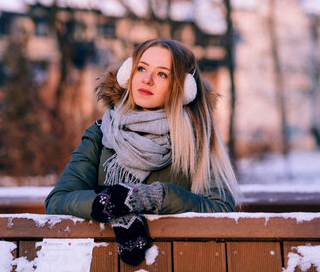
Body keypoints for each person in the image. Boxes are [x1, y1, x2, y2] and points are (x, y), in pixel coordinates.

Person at [45, 38, 241, 266]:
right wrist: (112, 207)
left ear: (183, 88)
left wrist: (152, 197)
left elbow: (220, 208)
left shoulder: (196, 138)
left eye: (162, 74)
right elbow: (58, 199)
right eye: (141, 68)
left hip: (177, 263)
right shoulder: (101, 134)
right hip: (105, 265)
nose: (147, 79)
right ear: (128, 74)